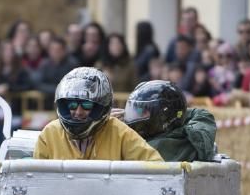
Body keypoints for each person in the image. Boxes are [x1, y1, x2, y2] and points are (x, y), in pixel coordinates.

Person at [33, 67, 162, 161]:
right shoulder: (49, 133)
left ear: (100, 107)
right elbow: (34, 179)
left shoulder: (119, 132)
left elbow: (155, 164)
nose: (78, 112)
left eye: (86, 105)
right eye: (72, 105)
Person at [124, 80, 216, 162]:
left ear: (162, 116)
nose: (135, 116)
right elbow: (202, 114)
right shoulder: (190, 141)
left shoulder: (150, 148)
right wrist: (178, 110)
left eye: (142, 112)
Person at [35, 37, 76, 105]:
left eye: (58, 50)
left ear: (64, 51)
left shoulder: (72, 64)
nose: (55, 52)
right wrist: (57, 90)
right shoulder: (44, 64)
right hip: (46, 101)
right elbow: (39, 84)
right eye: (52, 49)